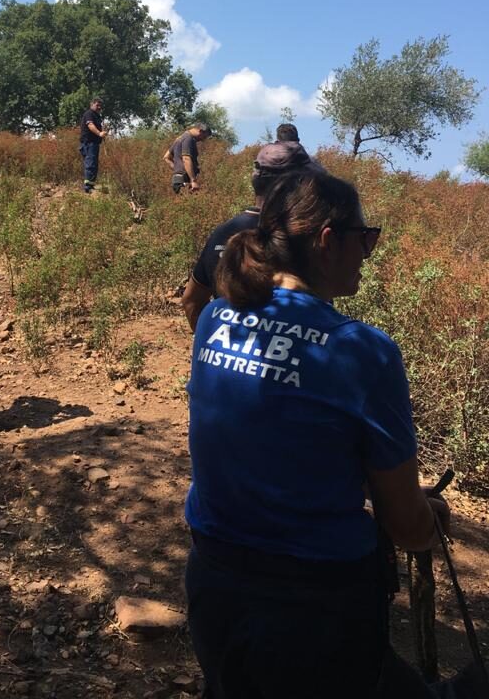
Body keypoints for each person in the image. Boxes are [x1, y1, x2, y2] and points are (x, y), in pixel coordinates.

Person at [184, 171, 450, 699]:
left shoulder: (216, 317)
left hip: (214, 580)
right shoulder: (362, 351)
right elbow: (404, 524)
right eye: (365, 238)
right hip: (317, 603)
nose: (367, 255)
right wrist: (428, 522)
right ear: (329, 241)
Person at [182, 141, 324, 329]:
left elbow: (192, 300)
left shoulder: (223, 233)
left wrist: (216, 344)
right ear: (295, 185)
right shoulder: (303, 236)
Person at [163, 123, 212, 194]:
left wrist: (177, 168)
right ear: (200, 131)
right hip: (184, 180)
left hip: (178, 179)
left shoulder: (180, 138)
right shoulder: (188, 138)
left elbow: (166, 157)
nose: (203, 140)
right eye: (204, 137)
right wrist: (193, 181)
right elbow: (186, 158)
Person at [79, 97, 108, 193]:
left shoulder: (97, 116)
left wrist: (102, 133)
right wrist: (99, 133)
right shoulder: (89, 114)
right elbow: (90, 125)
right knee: (90, 163)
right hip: (89, 143)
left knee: (94, 164)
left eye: (100, 106)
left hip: (95, 143)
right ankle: (88, 187)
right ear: (92, 105)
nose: (99, 107)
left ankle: (91, 185)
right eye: (97, 105)